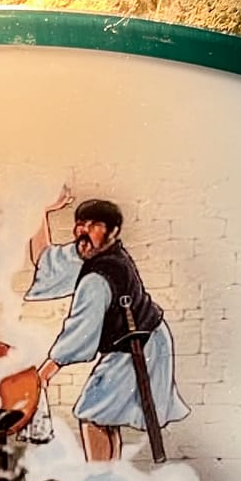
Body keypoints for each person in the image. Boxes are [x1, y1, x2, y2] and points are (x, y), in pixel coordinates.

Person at [25, 193, 188, 462]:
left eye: (93, 225)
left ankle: (100, 479)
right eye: (80, 224)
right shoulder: (92, 251)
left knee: (94, 415)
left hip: (140, 346)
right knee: (102, 417)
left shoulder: (99, 276)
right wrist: (40, 210)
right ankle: (108, 477)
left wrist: (44, 374)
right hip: (133, 343)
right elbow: (45, 260)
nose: (83, 231)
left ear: (112, 232)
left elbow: (80, 332)